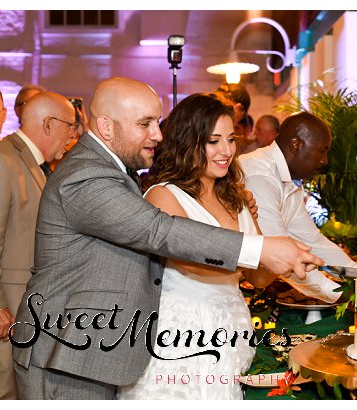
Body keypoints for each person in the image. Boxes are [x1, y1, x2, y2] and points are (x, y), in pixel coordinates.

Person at [10, 78, 321, 399]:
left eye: (157, 123)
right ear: (105, 126)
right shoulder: (85, 175)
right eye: (145, 124)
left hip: (94, 347)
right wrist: (259, 248)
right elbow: (158, 230)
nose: (158, 135)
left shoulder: (112, 169)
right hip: (65, 353)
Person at [118, 93, 281, 399]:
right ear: (187, 141)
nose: (226, 151)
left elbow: (258, 277)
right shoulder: (162, 196)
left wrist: (287, 259)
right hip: (181, 336)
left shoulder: (235, 196)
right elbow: (195, 260)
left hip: (232, 327)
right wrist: (267, 251)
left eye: (231, 139)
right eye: (213, 141)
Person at [0, 90, 76, 400]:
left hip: (24, 309)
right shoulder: (3, 159)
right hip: (5, 310)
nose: (71, 138)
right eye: (69, 127)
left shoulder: (32, 163)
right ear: (48, 124)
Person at [237, 112, 357, 272]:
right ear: (296, 145)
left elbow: (313, 241)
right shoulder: (261, 177)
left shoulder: (289, 179)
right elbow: (283, 258)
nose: (325, 160)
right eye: (322, 151)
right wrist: (349, 292)